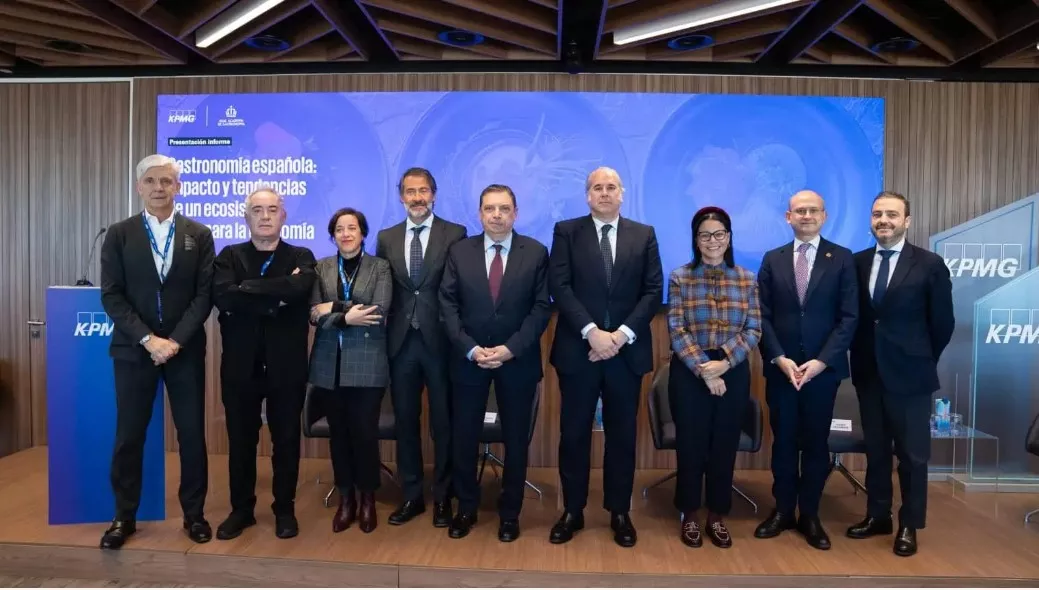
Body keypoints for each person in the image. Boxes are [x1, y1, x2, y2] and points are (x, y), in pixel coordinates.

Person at [99, 154, 215, 549]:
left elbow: (204, 296)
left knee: (192, 435)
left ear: (177, 187)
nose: (158, 188)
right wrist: (149, 339)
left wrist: (175, 341)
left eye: (166, 181)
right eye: (150, 181)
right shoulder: (119, 234)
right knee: (129, 435)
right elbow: (112, 296)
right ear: (139, 187)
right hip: (135, 351)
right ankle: (124, 516)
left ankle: (194, 515)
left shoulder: (199, 234)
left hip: (184, 350)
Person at [548, 167, 663, 548]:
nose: (604, 193)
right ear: (587, 195)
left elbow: (652, 291)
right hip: (579, 350)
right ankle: (573, 510)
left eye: (611, 187)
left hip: (625, 353)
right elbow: (560, 285)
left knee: (622, 436)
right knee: (574, 434)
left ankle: (619, 511)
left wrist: (620, 336)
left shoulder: (643, 234)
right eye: (597, 187)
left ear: (622, 193)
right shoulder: (567, 232)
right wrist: (592, 333)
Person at [438, 184, 550, 542]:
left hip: (517, 362)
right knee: (464, 438)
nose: (497, 215)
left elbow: (541, 308)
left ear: (516, 213)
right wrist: (470, 349)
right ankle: (466, 508)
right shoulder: (460, 251)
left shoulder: (535, 252)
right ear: (480, 214)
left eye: (504, 208)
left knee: (516, 441)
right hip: (468, 361)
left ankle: (510, 513)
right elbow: (447, 305)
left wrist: (511, 348)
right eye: (490, 209)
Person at [847, 191, 954, 557]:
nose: (884, 220)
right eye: (877, 214)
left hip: (910, 376)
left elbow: (942, 323)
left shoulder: (929, 264)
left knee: (912, 456)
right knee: (876, 451)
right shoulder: (857, 262)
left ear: (906, 221)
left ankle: (909, 523)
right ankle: (878, 516)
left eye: (892, 214)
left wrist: (920, 359)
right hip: (868, 373)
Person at [754, 190, 858, 550]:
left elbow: (849, 318)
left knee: (815, 444)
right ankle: (783, 510)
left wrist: (821, 361)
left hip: (821, 372)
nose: (807, 216)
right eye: (800, 211)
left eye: (813, 210)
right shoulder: (773, 259)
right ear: (788, 217)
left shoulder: (842, 258)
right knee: (783, 442)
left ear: (824, 216)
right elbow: (761, 315)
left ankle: (810, 514)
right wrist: (778, 357)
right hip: (782, 369)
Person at [211, 188, 317, 540]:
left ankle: (284, 509)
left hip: (286, 367)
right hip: (240, 367)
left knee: (286, 441)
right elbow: (224, 296)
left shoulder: (301, 255)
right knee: (241, 441)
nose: (266, 216)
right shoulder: (229, 255)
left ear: (283, 216)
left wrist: (246, 289)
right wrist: (275, 298)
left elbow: (299, 289)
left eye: (272, 209)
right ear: (247, 217)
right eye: (257, 210)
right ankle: (241, 510)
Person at [375, 168, 467, 528]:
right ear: (401, 197)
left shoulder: (455, 234)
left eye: (423, 191)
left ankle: (443, 496)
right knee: (405, 422)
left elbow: (459, 288)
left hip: (441, 341)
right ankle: (411, 495)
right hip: (401, 343)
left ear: (434, 194)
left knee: (444, 423)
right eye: (411, 192)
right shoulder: (386, 237)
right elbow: (384, 288)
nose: (417, 197)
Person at [667, 206, 761, 549]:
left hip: (732, 373)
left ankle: (717, 515)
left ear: (729, 238)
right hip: (690, 373)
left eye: (719, 234)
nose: (712, 241)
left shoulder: (747, 278)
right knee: (691, 445)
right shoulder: (680, 277)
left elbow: (753, 329)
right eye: (705, 235)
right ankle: (690, 514)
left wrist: (724, 363)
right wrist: (705, 370)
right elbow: (677, 329)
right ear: (696, 240)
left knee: (724, 444)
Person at [309, 207, 392, 534]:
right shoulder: (321, 268)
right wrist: (346, 315)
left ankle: (368, 498)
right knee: (339, 436)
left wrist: (334, 307)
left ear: (363, 233)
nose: (346, 234)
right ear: (333, 236)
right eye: (339, 229)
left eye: (352, 228)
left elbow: (378, 310)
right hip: (329, 365)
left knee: (365, 434)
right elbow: (313, 314)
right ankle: (346, 499)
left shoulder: (380, 267)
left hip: (368, 364)